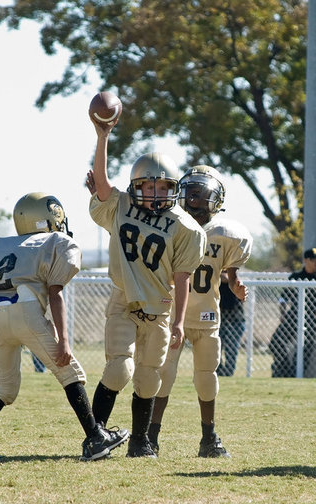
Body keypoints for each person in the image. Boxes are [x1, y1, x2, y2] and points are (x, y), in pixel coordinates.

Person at [0, 192, 129, 462]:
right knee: (70, 373)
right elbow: (55, 293)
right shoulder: (55, 241)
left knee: (5, 387)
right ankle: (96, 437)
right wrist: (64, 339)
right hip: (26, 310)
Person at [86, 116, 206, 458]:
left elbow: (183, 279)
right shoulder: (121, 204)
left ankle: (140, 441)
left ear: (173, 188)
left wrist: (180, 322)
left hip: (160, 306)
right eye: (149, 187)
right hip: (123, 299)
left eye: (163, 187)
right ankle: (95, 435)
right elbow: (104, 185)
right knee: (118, 368)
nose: (156, 194)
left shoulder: (186, 228)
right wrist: (102, 136)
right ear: (137, 186)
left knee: (149, 377)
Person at [148, 166, 252, 457]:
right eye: (190, 192)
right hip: (171, 317)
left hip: (206, 316)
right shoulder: (170, 225)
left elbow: (230, 272)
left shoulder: (225, 234)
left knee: (207, 377)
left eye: (200, 193)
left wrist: (234, 282)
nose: (193, 199)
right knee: (162, 376)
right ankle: (150, 437)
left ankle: (209, 438)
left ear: (215, 198)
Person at [269, 248, 316, 378]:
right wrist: (282, 314)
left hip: (313, 319)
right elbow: (283, 298)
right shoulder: (296, 276)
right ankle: (285, 370)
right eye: (313, 260)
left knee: (304, 348)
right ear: (305, 260)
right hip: (293, 315)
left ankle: (296, 373)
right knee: (276, 341)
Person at [217, 271, 246, 377]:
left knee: (231, 351)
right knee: (215, 350)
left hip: (236, 321)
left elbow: (229, 278)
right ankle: (219, 372)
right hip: (219, 320)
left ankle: (228, 374)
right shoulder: (214, 279)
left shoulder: (235, 277)